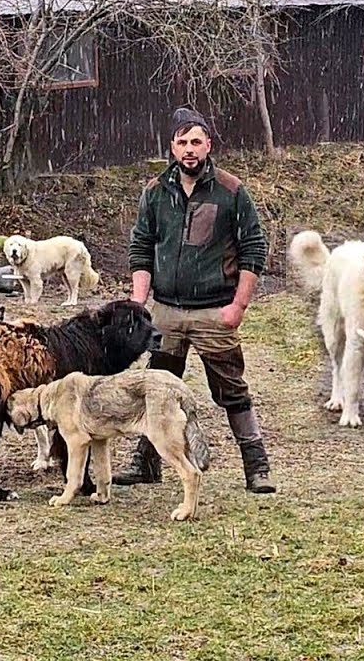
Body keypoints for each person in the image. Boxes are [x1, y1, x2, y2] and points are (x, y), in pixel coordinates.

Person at [116, 107, 276, 494]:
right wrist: (140, 304)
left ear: (209, 145)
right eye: (182, 142)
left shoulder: (230, 191)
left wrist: (238, 306)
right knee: (157, 386)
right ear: (172, 146)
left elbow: (254, 248)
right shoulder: (155, 192)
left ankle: (256, 465)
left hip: (212, 309)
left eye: (196, 142)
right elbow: (141, 246)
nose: (189, 150)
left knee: (231, 389)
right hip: (167, 310)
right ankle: (147, 461)